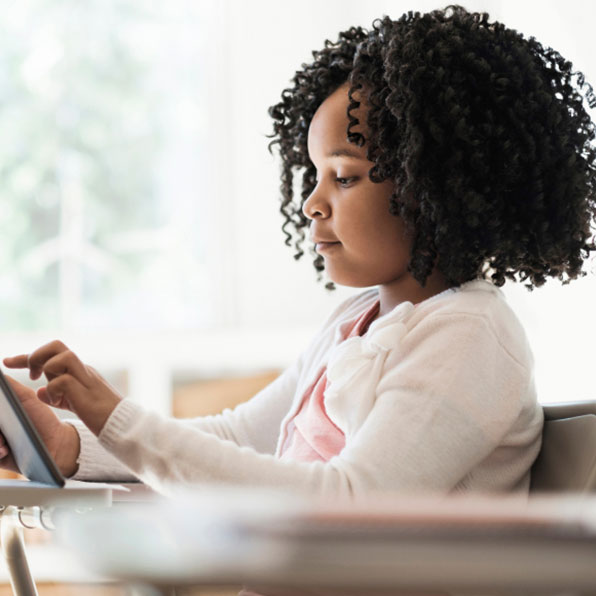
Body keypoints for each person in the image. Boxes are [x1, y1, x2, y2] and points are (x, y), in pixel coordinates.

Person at [1, 5, 595, 499]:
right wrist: (71, 441)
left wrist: (118, 418)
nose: (311, 203)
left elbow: (349, 502)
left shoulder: (470, 335)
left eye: (344, 176)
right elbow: (240, 440)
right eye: (312, 174)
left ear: (434, 183)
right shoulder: (357, 321)